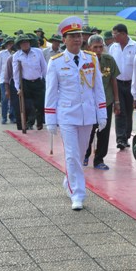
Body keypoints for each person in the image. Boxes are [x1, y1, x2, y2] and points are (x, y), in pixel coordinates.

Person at [45, 17, 107, 211]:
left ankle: (69, 180)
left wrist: (102, 113)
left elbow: (98, 88)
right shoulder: (55, 62)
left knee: (79, 155)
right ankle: (78, 194)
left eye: (79, 35)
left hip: (87, 114)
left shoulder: (91, 58)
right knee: (71, 155)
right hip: (67, 115)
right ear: (64, 39)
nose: (77, 39)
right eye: (72, 36)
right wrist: (50, 119)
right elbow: (51, 92)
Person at [84, 34, 121, 170]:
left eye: (101, 47)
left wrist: (117, 101)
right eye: (95, 47)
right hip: (89, 103)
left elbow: (113, 80)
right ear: (89, 48)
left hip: (106, 102)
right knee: (88, 130)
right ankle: (85, 154)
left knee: (104, 132)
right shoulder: (83, 61)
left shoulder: (109, 60)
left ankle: (99, 159)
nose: (98, 50)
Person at [109, 24, 136, 149]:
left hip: (131, 83)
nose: (113, 36)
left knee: (129, 111)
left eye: (115, 33)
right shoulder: (113, 47)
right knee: (119, 111)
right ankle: (120, 138)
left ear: (124, 34)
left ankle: (127, 135)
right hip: (117, 83)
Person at [12, 34, 48, 130]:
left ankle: (39, 122)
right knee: (28, 105)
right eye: (23, 43)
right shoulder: (17, 56)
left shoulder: (38, 52)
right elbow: (16, 73)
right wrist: (18, 87)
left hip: (38, 82)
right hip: (25, 83)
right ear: (19, 45)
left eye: (27, 42)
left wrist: (47, 81)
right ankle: (29, 122)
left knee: (40, 104)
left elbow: (44, 67)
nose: (25, 44)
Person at [0, 36, 15, 124]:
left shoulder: (17, 54)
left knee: (13, 99)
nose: (10, 46)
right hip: (4, 79)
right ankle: (4, 117)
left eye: (12, 44)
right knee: (5, 98)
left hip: (14, 79)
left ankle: (12, 116)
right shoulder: (2, 53)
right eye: (9, 44)